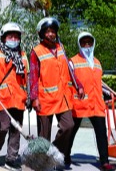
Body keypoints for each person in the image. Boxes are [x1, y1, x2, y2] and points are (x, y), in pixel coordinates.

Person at [29, 17, 84, 166]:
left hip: (63, 97)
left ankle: (54, 153)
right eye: (47, 31)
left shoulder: (61, 48)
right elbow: (33, 76)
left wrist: (78, 85)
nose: (51, 34)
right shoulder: (36, 51)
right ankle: (42, 164)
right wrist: (34, 98)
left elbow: (70, 70)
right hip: (44, 99)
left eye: (53, 31)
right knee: (43, 137)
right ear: (41, 34)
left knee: (69, 126)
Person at [65, 32, 116, 171]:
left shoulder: (98, 63)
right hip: (79, 104)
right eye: (84, 42)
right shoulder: (72, 62)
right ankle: (66, 155)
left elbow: (97, 83)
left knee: (101, 133)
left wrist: (108, 92)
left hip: (96, 104)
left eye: (89, 42)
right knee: (71, 132)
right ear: (79, 44)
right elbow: (69, 84)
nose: (87, 45)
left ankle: (104, 162)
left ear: (93, 44)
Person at [0, 22, 28, 171]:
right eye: (10, 36)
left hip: (19, 98)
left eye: (16, 36)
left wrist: (29, 96)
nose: (14, 39)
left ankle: (11, 159)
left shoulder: (23, 56)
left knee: (16, 130)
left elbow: (27, 77)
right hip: (2, 98)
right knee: (3, 127)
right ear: (3, 38)